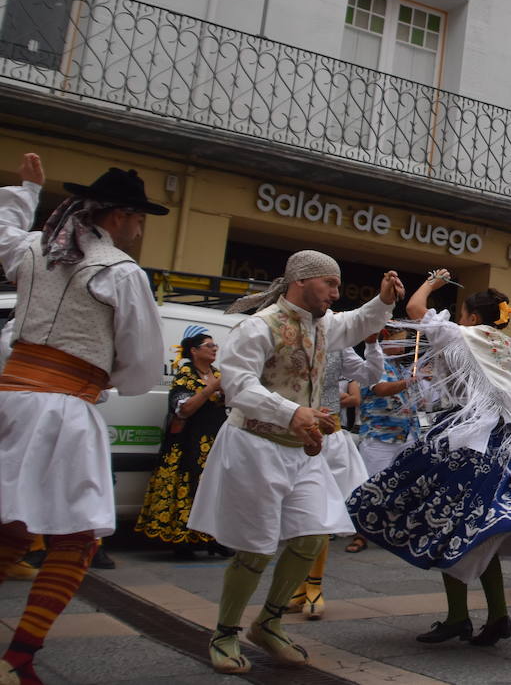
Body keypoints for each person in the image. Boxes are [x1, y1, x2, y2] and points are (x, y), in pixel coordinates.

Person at [349, 275, 511, 648]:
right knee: (478, 534)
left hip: (463, 443)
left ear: (469, 316)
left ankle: (460, 617)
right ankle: (493, 616)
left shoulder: (463, 337)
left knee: (451, 528)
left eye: (461, 313)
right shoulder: (510, 347)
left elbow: (415, 310)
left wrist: (432, 283)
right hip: (504, 444)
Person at [187, 251, 401, 674]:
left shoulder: (323, 325)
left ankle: (268, 621)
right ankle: (225, 633)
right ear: (301, 282)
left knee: (313, 534)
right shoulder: (258, 326)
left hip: (301, 450)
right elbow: (237, 384)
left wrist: (382, 301)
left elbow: (359, 322)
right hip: (255, 444)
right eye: (331, 285)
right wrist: (291, 411)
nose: (336, 294)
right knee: (255, 545)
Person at [0, 155, 167, 685]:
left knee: (9, 528)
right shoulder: (119, 271)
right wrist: (100, 376)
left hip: (8, 397)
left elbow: (4, 230)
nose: (140, 229)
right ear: (117, 216)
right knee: (76, 540)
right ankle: (20, 657)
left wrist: (27, 189)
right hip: (64, 410)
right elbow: (142, 365)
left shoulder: (33, 248)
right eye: (138, 218)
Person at [285, 339, 380, 618]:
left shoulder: (339, 341)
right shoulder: (286, 336)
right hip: (293, 437)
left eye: (334, 292)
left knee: (321, 514)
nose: (332, 295)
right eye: (328, 291)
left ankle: (314, 585)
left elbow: (370, 375)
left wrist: (373, 344)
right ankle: (300, 586)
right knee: (298, 516)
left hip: (330, 439)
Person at [135, 327, 231, 557]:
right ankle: (183, 540)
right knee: (186, 488)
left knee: (213, 489)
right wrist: (210, 389)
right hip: (188, 444)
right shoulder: (185, 375)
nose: (214, 348)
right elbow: (184, 409)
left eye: (215, 345)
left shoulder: (217, 375)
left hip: (213, 443)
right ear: (194, 351)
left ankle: (212, 538)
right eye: (209, 345)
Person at [356, 327, 420, 477]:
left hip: (405, 436)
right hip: (380, 438)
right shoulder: (375, 363)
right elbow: (381, 389)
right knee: (374, 484)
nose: (403, 348)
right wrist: (408, 382)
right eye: (400, 341)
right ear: (387, 337)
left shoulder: (399, 367)